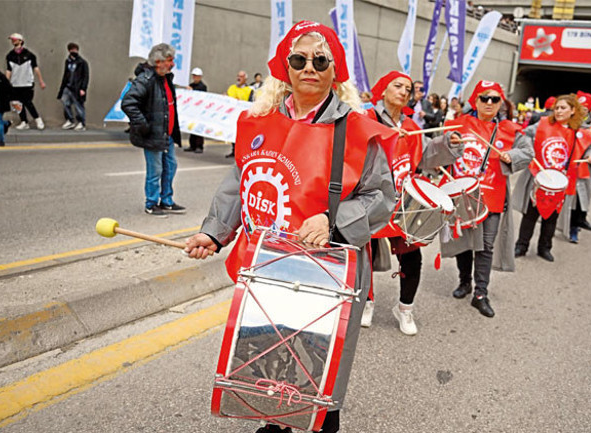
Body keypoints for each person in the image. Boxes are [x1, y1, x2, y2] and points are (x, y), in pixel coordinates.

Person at [183, 21, 396, 433]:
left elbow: (382, 200)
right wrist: (213, 232)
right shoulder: (259, 123)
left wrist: (331, 219)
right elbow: (240, 183)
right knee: (265, 362)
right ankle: (273, 423)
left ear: (336, 70)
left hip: (327, 271)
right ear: (285, 67)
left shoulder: (355, 130)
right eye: (299, 59)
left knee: (317, 375)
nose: (309, 67)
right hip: (268, 268)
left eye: (321, 60)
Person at [362, 71, 463, 334]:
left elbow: (427, 156)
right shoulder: (366, 120)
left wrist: (447, 143)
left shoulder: (413, 128)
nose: (404, 91)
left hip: (404, 201)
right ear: (382, 90)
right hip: (370, 199)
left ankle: (405, 308)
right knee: (365, 252)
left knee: (412, 256)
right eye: (398, 86)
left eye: (408, 89)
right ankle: (366, 301)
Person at [441, 81, 533, 317]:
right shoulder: (458, 124)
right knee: (464, 243)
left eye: (494, 99)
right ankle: (464, 282)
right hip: (462, 195)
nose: (489, 103)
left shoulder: (511, 129)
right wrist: (446, 145)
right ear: (475, 101)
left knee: (486, 246)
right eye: (484, 98)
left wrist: (511, 156)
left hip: (492, 196)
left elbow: (528, 153)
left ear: (501, 102)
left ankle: (481, 293)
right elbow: (436, 149)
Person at [512, 94, 591, 262]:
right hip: (540, 177)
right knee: (530, 214)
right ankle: (521, 245)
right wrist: (528, 148)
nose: (558, 111)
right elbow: (524, 134)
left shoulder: (578, 131)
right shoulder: (543, 123)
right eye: (557, 108)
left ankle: (545, 248)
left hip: (561, 180)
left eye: (563, 108)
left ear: (573, 110)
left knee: (551, 216)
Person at [121, 43, 186, 218]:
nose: (172, 64)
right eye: (169, 60)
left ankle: (166, 201)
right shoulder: (145, 79)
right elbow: (128, 102)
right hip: (154, 135)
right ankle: (151, 203)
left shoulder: (165, 78)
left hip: (166, 135)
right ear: (158, 61)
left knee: (170, 167)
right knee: (155, 171)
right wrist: (142, 124)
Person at [559, 91, 591, 244]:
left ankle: (575, 226)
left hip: (583, 168)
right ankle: (560, 224)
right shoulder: (569, 122)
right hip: (566, 166)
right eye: (580, 107)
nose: (582, 110)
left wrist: (590, 138)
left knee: (580, 199)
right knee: (564, 198)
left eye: (586, 108)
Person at [6, 33, 46, 130]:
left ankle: (37, 119)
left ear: (20, 41)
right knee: (17, 104)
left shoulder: (29, 55)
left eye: (15, 39)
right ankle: (24, 121)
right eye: (12, 39)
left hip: (27, 83)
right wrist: (6, 83)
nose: (13, 41)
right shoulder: (10, 56)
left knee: (27, 102)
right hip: (15, 84)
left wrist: (41, 81)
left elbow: (36, 68)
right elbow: (8, 70)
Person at [56, 42, 89, 131]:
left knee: (78, 105)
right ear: (69, 50)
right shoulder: (68, 62)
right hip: (67, 87)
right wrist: (61, 89)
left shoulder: (82, 62)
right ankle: (70, 120)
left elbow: (85, 76)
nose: (74, 51)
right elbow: (65, 75)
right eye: (72, 49)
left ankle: (81, 123)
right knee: (65, 103)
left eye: (75, 49)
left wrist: (83, 88)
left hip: (77, 88)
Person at [224, 70, 255, 158]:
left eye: (241, 76)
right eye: (238, 76)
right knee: (233, 133)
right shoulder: (232, 88)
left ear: (245, 79)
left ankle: (241, 152)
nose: (239, 78)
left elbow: (250, 103)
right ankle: (233, 150)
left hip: (242, 116)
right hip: (232, 115)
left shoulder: (249, 90)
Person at [183, 67, 207, 154]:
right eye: (194, 76)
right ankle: (192, 145)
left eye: (197, 76)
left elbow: (200, 96)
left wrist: (192, 91)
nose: (195, 78)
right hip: (192, 111)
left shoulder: (202, 86)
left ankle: (199, 146)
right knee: (192, 128)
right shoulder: (191, 85)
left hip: (200, 111)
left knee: (198, 130)